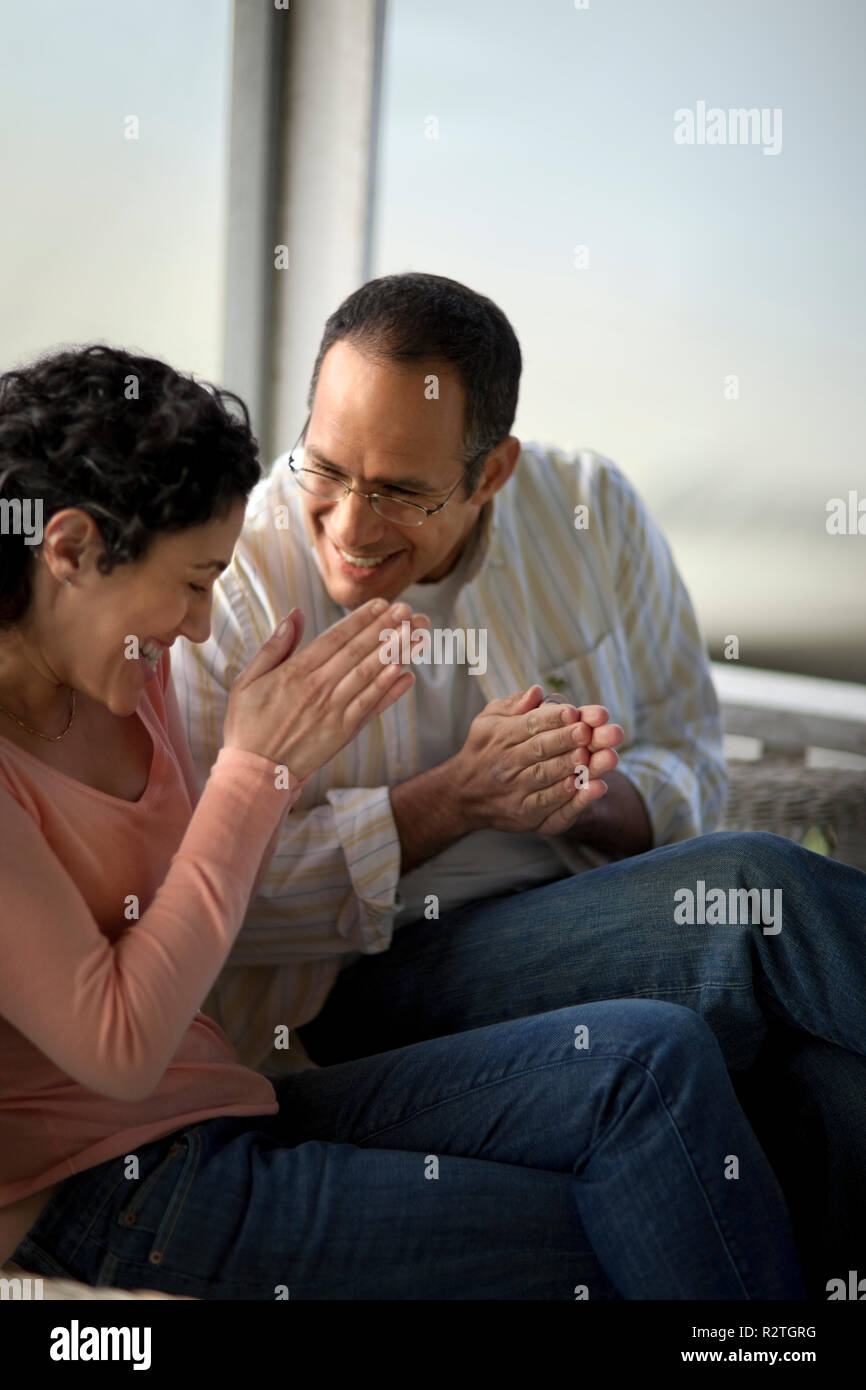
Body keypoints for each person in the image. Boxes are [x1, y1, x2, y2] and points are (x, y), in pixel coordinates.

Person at [0, 343, 805, 1300]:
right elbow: (123, 1045)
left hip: (237, 1104)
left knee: (653, 1061)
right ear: (70, 552)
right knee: (641, 1221)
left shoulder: (131, 683)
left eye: (215, 580)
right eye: (190, 583)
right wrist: (259, 770)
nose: (207, 624)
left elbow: (193, 921)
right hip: (109, 1188)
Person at [171, 272, 866, 1296]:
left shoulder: (591, 512)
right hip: (347, 993)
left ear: (491, 469)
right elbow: (199, 902)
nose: (352, 527)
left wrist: (605, 801)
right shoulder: (231, 580)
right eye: (324, 467)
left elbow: (693, 757)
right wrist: (450, 801)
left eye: (403, 492)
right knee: (762, 902)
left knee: (829, 1085)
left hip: (587, 918)